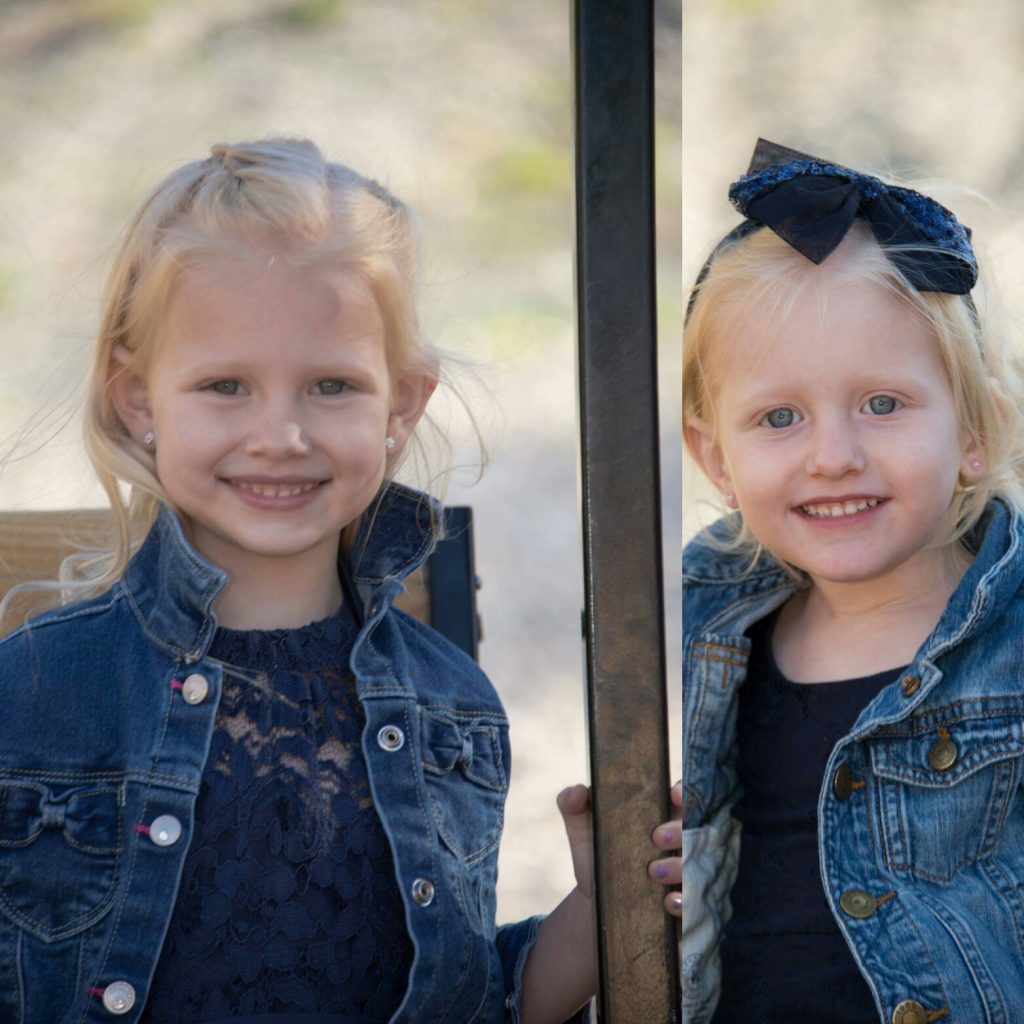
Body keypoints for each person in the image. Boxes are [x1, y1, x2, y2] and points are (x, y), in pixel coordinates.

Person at [0, 137, 681, 1023]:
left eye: (330, 385)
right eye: (225, 386)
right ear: (138, 400)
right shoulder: (37, 692)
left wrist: (600, 908)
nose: (281, 435)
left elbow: (473, 998)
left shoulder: (449, 706)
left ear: (402, 403)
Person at [682, 138, 1024, 1024]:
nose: (833, 456)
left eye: (882, 404)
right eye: (779, 417)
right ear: (715, 458)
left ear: (977, 429)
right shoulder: (694, 625)